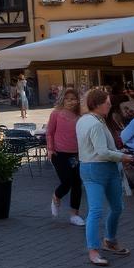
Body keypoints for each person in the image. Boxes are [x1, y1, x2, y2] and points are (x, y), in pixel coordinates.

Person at [77, 88, 134, 266]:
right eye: (107, 103)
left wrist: (119, 155)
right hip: (97, 168)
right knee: (97, 210)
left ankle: (109, 241)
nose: (109, 106)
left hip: (97, 167)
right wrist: (122, 157)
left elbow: (103, 149)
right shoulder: (94, 123)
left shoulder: (86, 120)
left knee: (116, 207)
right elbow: (102, 152)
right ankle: (94, 249)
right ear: (97, 104)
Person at [46, 87, 85, 226]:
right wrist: (50, 149)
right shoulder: (56, 114)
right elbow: (49, 132)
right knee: (66, 182)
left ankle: (74, 215)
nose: (70, 101)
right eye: (67, 99)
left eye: (73, 99)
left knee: (77, 184)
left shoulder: (80, 115)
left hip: (75, 154)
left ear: (77, 100)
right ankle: (56, 196)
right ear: (62, 100)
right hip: (59, 153)